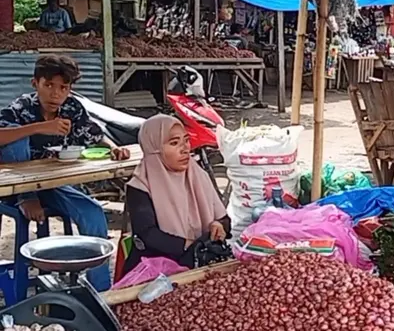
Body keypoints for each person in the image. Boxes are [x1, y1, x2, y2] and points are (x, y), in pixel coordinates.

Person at [0, 55, 131, 291]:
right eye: (48, 85)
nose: (55, 94)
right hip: (16, 187)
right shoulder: (22, 107)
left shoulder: (72, 108)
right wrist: (41, 127)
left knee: (93, 214)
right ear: (35, 84)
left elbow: (93, 134)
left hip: (56, 184)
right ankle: (26, 198)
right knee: (16, 140)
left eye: (63, 88)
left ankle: (102, 294)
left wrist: (114, 148)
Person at [123, 115, 230, 275]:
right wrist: (188, 245)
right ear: (154, 148)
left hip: (201, 261)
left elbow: (225, 219)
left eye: (186, 140)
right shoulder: (140, 186)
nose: (185, 149)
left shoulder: (198, 175)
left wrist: (219, 226)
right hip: (156, 270)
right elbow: (148, 234)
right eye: (174, 143)